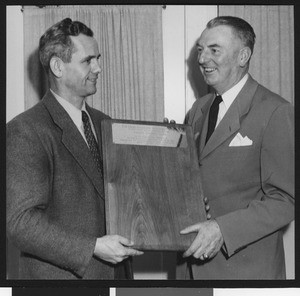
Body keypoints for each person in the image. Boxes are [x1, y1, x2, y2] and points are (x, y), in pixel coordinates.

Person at [6, 18, 143, 280]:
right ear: (58, 66)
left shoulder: (106, 123)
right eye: (88, 60)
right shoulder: (26, 130)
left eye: (98, 58)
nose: (98, 68)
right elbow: (20, 223)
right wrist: (93, 247)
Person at [177, 16, 294, 279]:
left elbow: (286, 201)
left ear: (243, 56)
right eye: (200, 50)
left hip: (245, 271)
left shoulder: (275, 111)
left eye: (214, 50)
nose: (202, 59)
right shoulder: (198, 110)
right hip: (191, 268)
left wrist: (222, 229)